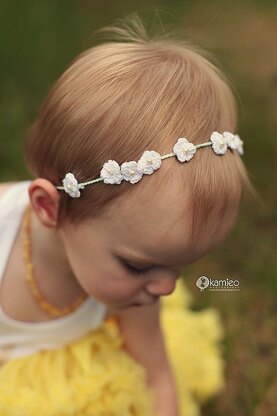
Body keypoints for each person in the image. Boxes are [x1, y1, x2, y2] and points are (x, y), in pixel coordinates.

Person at [0, 14, 255, 416]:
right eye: (138, 266)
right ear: (50, 208)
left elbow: (155, 375)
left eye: (181, 267)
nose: (166, 289)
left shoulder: (134, 289)